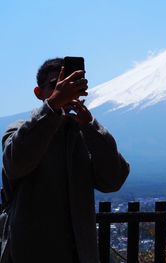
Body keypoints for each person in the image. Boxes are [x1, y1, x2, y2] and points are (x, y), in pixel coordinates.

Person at [1, 58, 130, 263]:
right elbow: (16, 164)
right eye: (56, 85)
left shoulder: (84, 134)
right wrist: (52, 107)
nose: (66, 90)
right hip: (27, 253)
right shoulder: (18, 130)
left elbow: (113, 179)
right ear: (38, 93)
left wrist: (90, 125)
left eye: (73, 83)